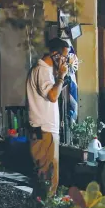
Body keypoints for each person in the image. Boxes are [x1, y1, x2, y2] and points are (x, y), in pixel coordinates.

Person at [26, 37, 69, 197]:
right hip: (44, 130)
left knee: (43, 177)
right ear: (55, 55)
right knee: (48, 178)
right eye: (64, 56)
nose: (65, 61)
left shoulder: (44, 71)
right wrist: (61, 76)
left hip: (43, 129)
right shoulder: (43, 71)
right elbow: (52, 95)